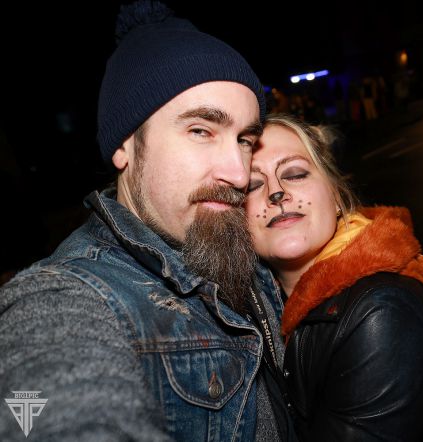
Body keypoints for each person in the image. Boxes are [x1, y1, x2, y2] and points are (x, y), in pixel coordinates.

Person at [0, 2, 294, 441]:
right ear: (125, 145)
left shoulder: (236, 244)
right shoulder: (64, 299)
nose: (238, 173)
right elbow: (37, 409)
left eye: (245, 139)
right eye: (201, 131)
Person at [246, 114, 423, 441]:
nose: (276, 192)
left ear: (336, 196)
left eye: (295, 173)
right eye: (253, 185)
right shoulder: (255, 306)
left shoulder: (379, 313)